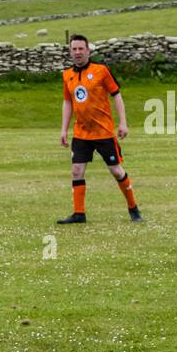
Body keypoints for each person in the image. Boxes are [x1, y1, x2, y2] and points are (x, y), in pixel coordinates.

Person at [57, 35, 142, 224]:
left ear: (88, 51)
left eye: (81, 49)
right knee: (77, 170)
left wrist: (123, 123)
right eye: (74, 49)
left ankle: (133, 208)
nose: (77, 52)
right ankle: (79, 214)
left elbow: (117, 95)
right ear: (70, 52)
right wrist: (64, 129)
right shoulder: (67, 75)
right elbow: (67, 102)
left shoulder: (101, 71)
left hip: (103, 132)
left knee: (116, 171)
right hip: (81, 133)